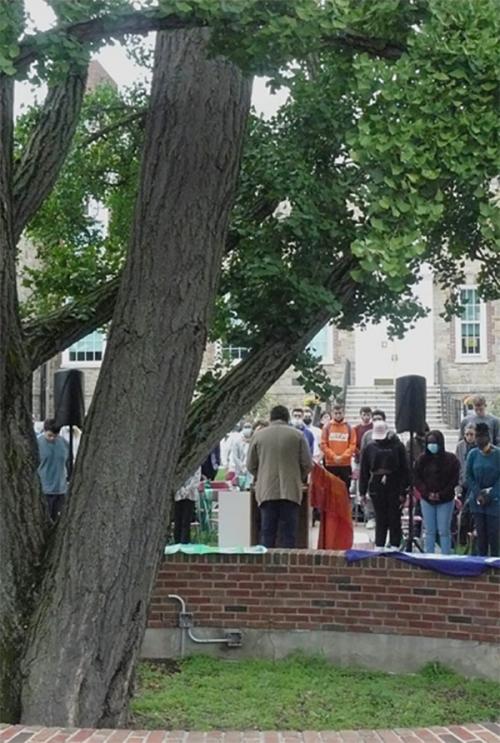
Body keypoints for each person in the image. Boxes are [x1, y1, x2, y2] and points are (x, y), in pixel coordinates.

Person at [247, 405, 313, 548]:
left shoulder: (259, 436)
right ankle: (287, 568)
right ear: (287, 418)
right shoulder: (298, 435)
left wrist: (262, 475)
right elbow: (307, 464)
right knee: (289, 535)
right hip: (290, 491)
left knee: (267, 533)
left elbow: (250, 465)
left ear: (271, 417)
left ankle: (266, 567)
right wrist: (297, 476)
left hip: (266, 491)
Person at [359, 420, 409, 549]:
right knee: (380, 516)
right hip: (376, 482)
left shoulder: (398, 446)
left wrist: (404, 490)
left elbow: (405, 468)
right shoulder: (369, 448)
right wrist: (362, 491)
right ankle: (379, 544)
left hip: (394, 482)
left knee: (394, 515)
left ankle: (394, 544)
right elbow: (364, 471)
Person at [414, 430, 460, 554]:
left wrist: (441, 494)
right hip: (426, 499)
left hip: (445, 499)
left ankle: (445, 556)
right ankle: (429, 556)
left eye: (434, 443)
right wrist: (427, 493)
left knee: (444, 530)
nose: (431, 445)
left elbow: (454, 479)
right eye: (429, 443)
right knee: (429, 531)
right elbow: (417, 478)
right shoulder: (422, 459)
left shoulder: (451, 460)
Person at [465, 422, 500, 556]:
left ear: (488, 437)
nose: (479, 439)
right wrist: (477, 493)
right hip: (477, 500)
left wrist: (490, 495)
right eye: (477, 436)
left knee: (494, 536)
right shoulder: (473, 454)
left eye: (482, 436)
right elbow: (468, 475)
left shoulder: (497, 454)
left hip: (495, 500)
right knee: (481, 538)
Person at [37, 418, 69, 522]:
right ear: (44, 431)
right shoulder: (37, 443)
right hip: (44, 488)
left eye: (55, 436)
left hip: (60, 488)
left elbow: (68, 461)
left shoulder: (63, 443)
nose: (52, 438)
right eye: (49, 435)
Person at [320, 403, 356, 490]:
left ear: (343, 413)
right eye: (336, 413)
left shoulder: (349, 427)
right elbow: (323, 444)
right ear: (332, 414)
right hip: (330, 463)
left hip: (345, 464)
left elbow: (352, 445)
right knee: (330, 488)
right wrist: (334, 456)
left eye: (340, 413)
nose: (338, 415)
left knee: (345, 487)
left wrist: (342, 457)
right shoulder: (327, 427)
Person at [173, 468, 201, 544]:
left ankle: (184, 542)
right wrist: (181, 490)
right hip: (178, 494)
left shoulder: (197, 466)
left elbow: (196, 479)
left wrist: (186, 490)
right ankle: (177, 542)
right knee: (177, 521)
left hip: (190, 496)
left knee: (186, 521)